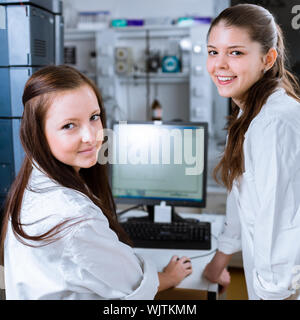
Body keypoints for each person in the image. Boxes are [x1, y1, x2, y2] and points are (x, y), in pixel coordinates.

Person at [0, 65, 192, 300]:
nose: (91, 137)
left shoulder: (34, 177)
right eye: (69, 125)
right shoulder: (75, 218)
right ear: (38, 133)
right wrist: (171, 277)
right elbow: (132, 283)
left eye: (94, 117)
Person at [203, 4, 300, 300]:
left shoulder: (273, 124)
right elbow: (243, 194)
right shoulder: (253, 116)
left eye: (235, 53)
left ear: (267, 59)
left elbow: (281, 224)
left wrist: (271, 294)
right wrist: (219, 260)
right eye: (212, 51)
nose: (219, 64)